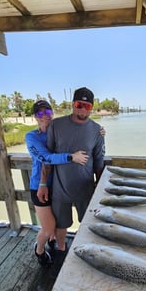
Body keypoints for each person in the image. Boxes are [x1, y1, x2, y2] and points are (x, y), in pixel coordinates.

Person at [45, 87, 105, 270]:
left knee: (88, 224)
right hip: (59, 188)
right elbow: (47, 156)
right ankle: (61, 252)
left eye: (87, 106)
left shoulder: (97, 130)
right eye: (80, 105)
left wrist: (99, 186)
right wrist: (43, 184)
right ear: (73, 104)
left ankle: (85, 252)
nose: (83, 110)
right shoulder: (56, 125)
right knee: (60, 226)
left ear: (92, 108)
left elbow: (99, 160)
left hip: (85, 189)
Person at [25, 100, 89, 267]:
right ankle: (39, 250)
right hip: (39, 187)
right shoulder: (32, 137)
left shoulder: (59, 130)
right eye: (39, 113)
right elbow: (46, 157)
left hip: (58, 186)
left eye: (47, 112)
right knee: (48, 228)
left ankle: (55, 244)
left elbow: (78, 132)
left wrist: (97, 132)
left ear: (52, 113)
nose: (44, 116)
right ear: (35, 117)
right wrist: (70, 157)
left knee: (59, 224)